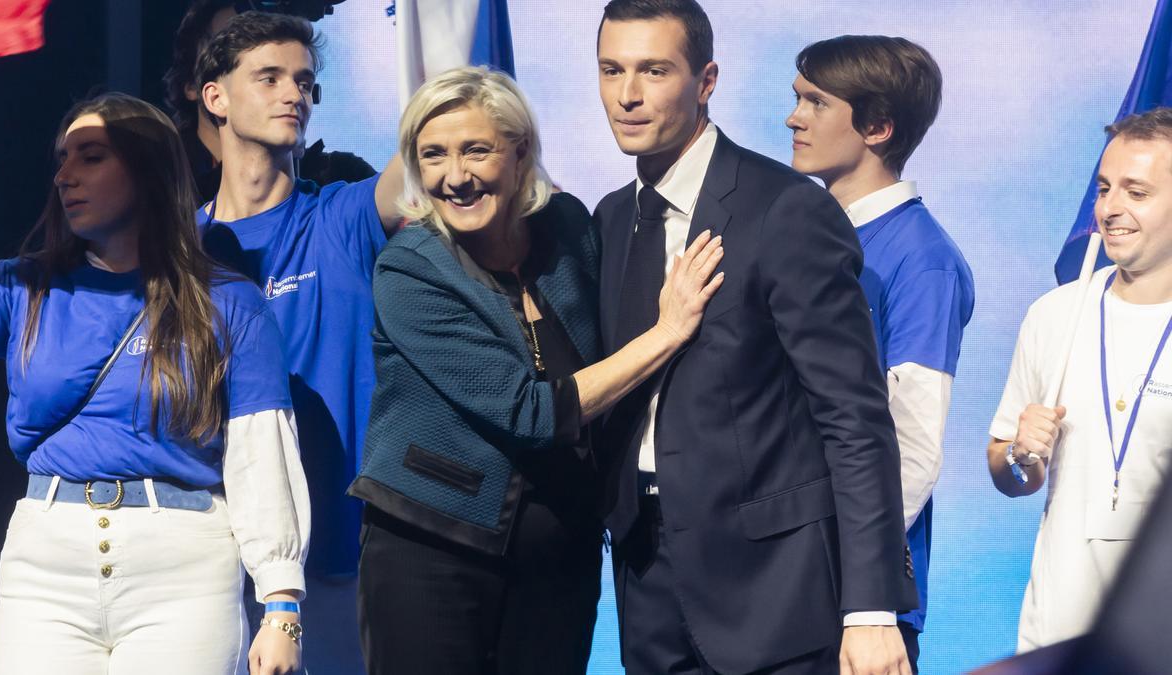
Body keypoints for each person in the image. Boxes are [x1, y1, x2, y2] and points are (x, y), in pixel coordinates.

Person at [348, 65, 724, 675]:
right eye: (434, 155)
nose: (456, 176)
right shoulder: (409, 269)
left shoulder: (570, 228)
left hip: (560, 555)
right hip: (431, 548)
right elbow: (530, 411)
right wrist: (669, 333)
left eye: (476, 150)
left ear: (520, 153)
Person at [594, 1, 918, 673]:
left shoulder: (787, 209)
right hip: (647, 584)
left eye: (654, 71)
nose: (627, 95)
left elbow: (854, 417)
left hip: (777, 595)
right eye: (611, 70)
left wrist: (871, 607)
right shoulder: (611, 218)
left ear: (706, 80)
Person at [0, 93, 309, 674]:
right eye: (63, 158)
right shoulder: (21, 289)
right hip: (43, 572)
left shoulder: (230, 303)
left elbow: (261, 456)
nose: (63, 176)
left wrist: (281, 608)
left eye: (91, 156)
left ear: (148, 169)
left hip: (184, 575)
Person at [786, 35, 975, 671]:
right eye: (797, 99)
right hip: (780, 580)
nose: (794, 118)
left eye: (816, 103)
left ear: (878, 126)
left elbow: (912, 444)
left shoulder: (922, 259)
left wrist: (857, 587)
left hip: (855, 598)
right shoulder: (800, 235)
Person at [196, 11, 401, 581]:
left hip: (348, 555)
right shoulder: (178, 251)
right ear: (216, 97)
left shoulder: (343, 215)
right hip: (211, 564)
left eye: (305, 82)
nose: (295, 94)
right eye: (270, 77)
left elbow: (440, 147)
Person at [988, 107, 1172, 652]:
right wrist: (1021, 454)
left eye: (1136, 192)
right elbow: (1008, 472)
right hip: (1059, 636)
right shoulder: (1054, 315)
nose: (1109, 209)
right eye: (1104, 188)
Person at [163, 0, 376, 202]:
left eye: (302, 83)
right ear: (196, 85)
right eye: (232, 42)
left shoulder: (341, 178)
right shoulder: (163, 184)